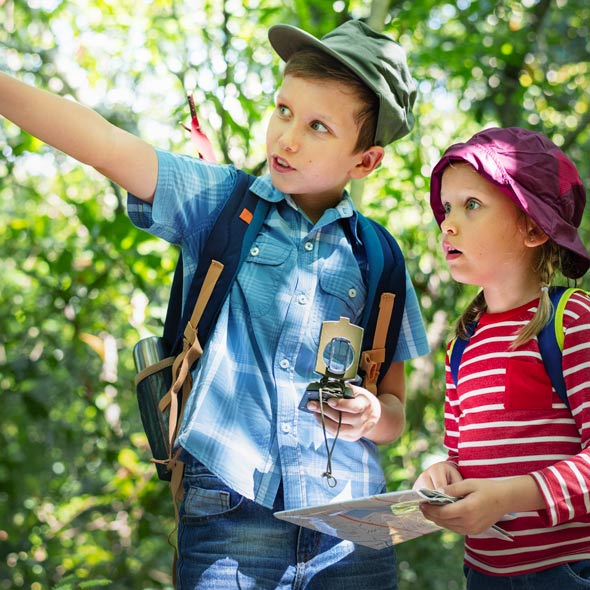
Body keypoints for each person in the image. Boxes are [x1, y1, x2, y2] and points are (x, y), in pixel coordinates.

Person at [0, 19, 429, 589]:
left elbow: (393, 409)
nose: (286, 138)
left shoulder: (378, 256)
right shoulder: (222, 203)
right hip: (230, 512)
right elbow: (103, 143)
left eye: (317, 126)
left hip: (349, 529)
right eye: (283, 110)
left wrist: (373, 416)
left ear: (365, 161)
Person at [414, 126, 590, 589]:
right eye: (447, 207)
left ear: (533, 226)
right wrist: (441, 473)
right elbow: (460, 459)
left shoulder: (572, 321)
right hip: (484, 575)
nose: (447, 223)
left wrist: (513, 494)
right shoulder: (462, 344)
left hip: (567, 574)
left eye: (471, 205)